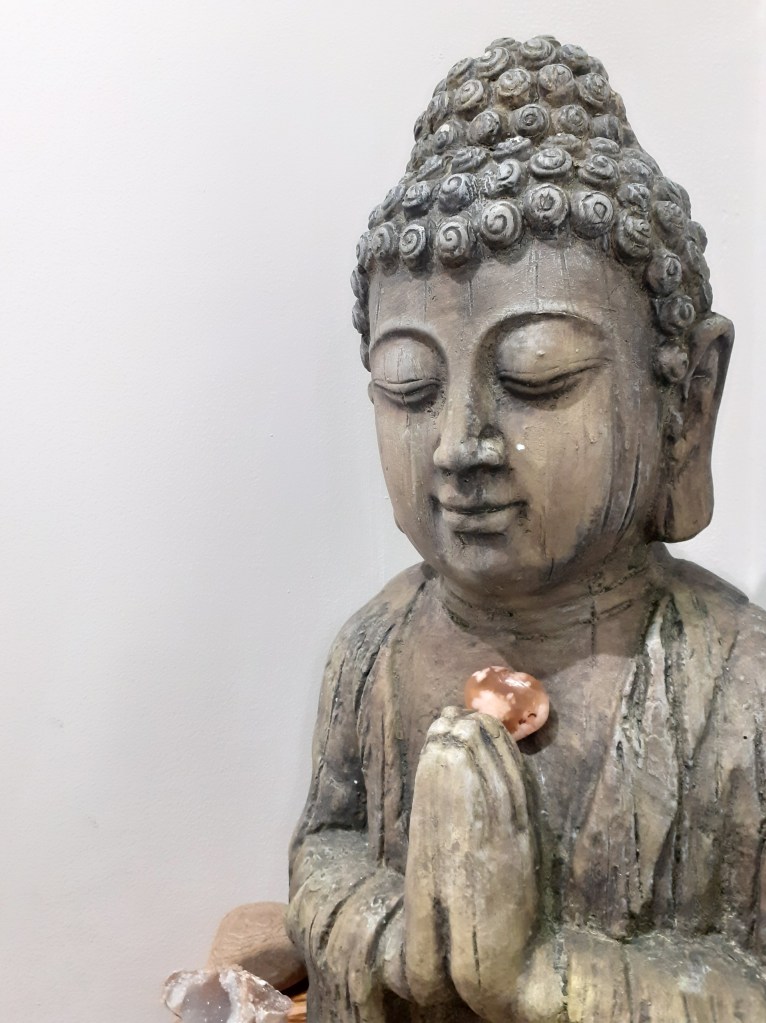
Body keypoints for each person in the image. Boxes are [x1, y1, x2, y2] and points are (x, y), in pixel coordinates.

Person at [287, 36, 766, 1022]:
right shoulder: (370, 653)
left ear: (685, 401)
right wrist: (390, 933)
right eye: (409, 387)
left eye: (535, 377)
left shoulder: (739, 687)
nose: (458, 443)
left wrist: (540, 977)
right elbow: (323, 845)